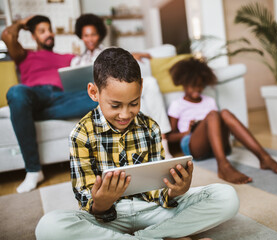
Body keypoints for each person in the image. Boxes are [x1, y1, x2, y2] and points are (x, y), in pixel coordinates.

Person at [35, 48, 239, 240]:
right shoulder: (80, 134)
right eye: (115, 105)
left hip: (153, 211)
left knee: (227, 197)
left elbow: (157, 191)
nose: (125, 114)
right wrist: (101, 203)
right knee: (49, 227)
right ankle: (167, 235)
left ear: (141, 87)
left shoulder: (150, 127)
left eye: (134, 103)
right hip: (107, 220)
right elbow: (86, 200)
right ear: (94, 92)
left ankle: (147, 236)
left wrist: (174, 191)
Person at [1, 15, 98, 193]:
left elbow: (92, 63)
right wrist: (23, 24)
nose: (49, 34)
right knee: (16, 92)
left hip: (63, 98)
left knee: (101, 95)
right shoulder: (24, 54)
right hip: (36, 95)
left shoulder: (67, 57)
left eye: (50, 30)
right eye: (42, 31)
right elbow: (6, 35)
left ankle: (24, 113)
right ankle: (33, 170)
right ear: (33, 36)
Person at [166, 57, 277, 184]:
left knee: (224, 113)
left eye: (201, 86)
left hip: (218, 144)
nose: (197, 89)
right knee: (213, 115)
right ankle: (223, 165)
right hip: (193, 145)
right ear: (183, 83)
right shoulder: (177, 105)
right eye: (193, 86)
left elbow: (216, 122)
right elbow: (169, 137)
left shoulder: (209, 101)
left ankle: (264, 157)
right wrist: (187, 132)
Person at [71, 13, 173, 159]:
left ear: (99, 34)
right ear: (81, 36)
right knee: (130, 100)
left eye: (93, 34)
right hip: (92, 95)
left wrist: (133, 55)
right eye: (86, 35)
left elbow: (123, 65)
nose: (90, 39)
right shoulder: (76, 61)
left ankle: (163, 143)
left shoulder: (110, 51)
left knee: (150, 82)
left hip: (117, 89)